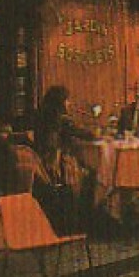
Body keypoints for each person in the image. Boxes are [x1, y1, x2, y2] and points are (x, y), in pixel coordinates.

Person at [32, 86, 99, 235]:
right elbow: (87, 134)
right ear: (61, 102)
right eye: (67, 100)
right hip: (58, 164)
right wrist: (96, 131)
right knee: (93, 174)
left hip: (42, 163)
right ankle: (86, 223)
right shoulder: (62, 119)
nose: (69, 103)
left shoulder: (40, 116)